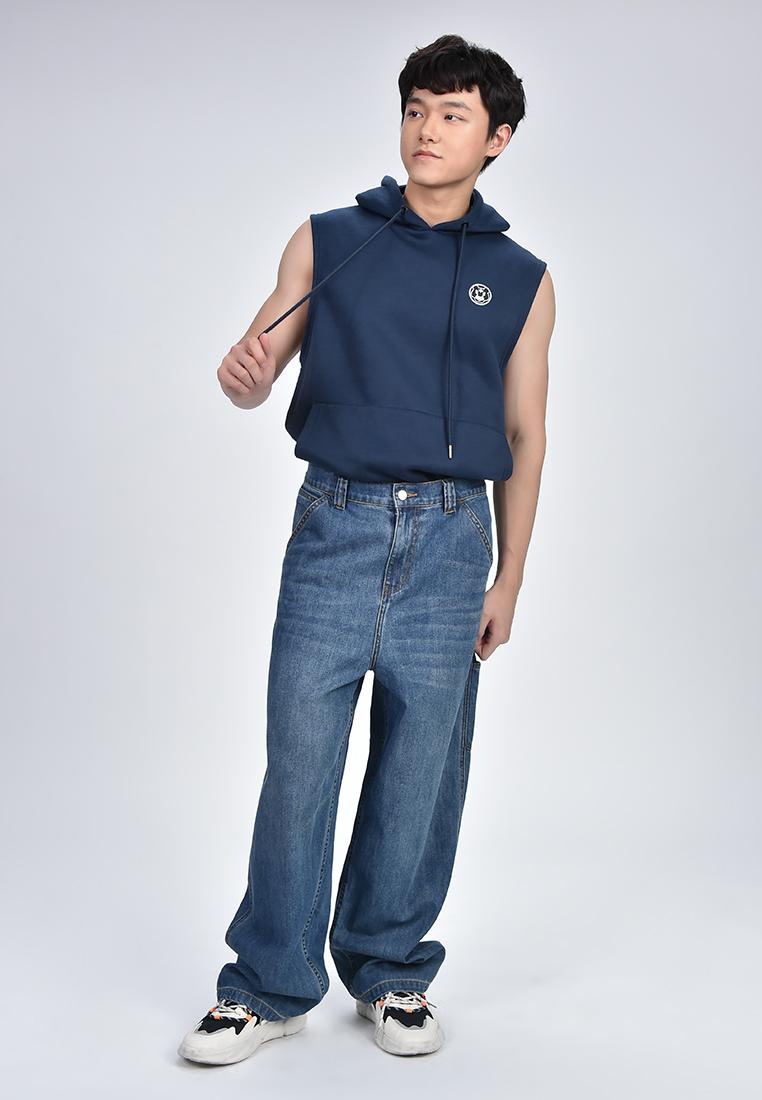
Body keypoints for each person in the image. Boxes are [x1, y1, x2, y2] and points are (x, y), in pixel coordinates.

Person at [178, 32, 555, 1065]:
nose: (428, 129)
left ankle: (389, 969)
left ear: (496, 138)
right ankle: (267, 984)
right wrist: (243, 378)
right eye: (417, 108)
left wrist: (509, 577)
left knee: (420, 770)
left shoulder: (522, 277)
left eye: (453, 114)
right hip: (334, 526)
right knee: (300, 763)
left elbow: (524, 434)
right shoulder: (328, 238)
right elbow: (255, 370)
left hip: (451, 540)